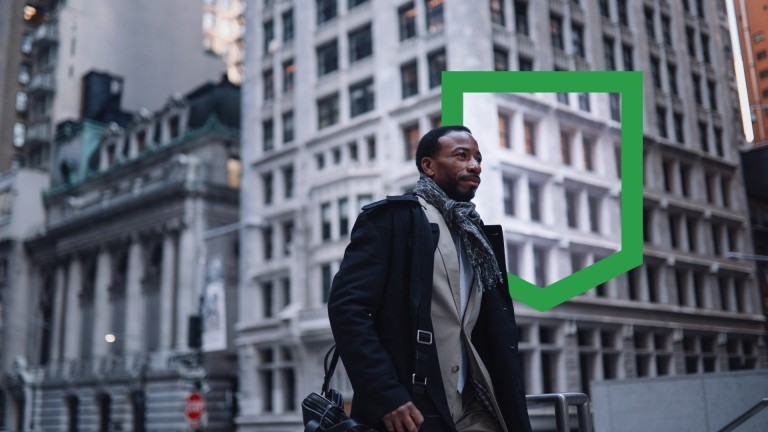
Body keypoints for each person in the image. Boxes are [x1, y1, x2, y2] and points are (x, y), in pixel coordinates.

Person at [328, 125, 531, 432]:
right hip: (413, 407)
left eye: (477, 158)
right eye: (461, 156)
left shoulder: (477, 235)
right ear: (429, 166)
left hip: (475, 403)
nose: (474, 165)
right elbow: (347, 309)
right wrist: (386, 395)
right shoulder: (392, 220)